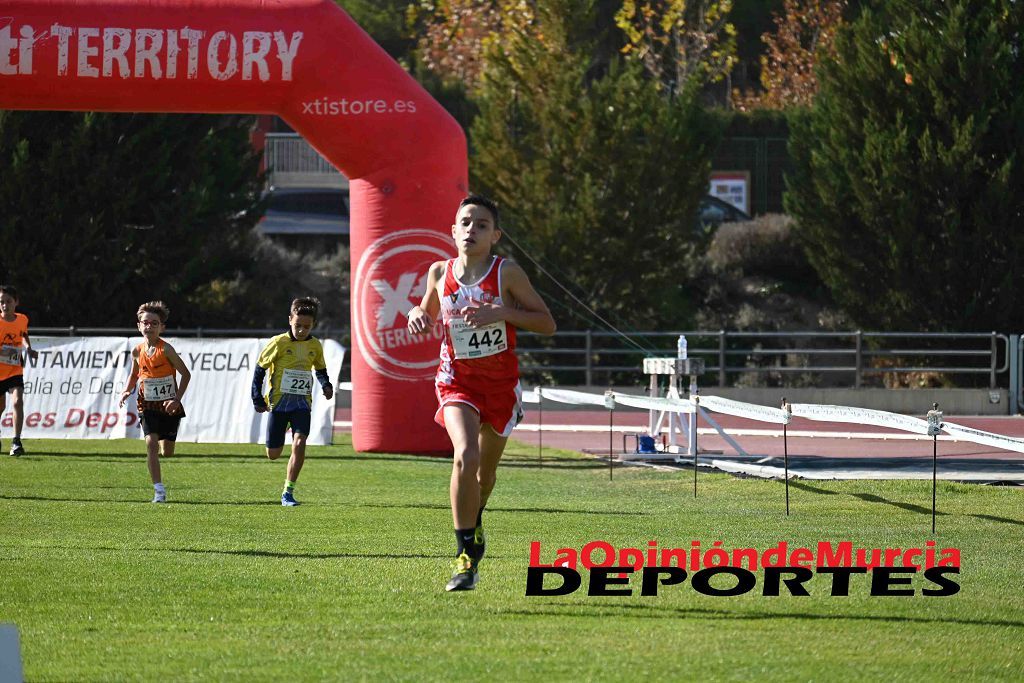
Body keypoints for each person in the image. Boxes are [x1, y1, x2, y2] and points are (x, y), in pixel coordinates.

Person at [407, 195, 556, 592]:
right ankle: (465, 555)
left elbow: (547, 323)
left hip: (500, 387)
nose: (472, 230)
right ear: (453, 231)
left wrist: (503, 313)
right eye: (466, 223)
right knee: (464, 455)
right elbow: (426, 311)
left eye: (482, 225)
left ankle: (476, 519)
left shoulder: (507, 274)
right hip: (456, 380)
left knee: (485, 474)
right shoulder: (439, 272)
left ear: (495, 236)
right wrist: (416, 314)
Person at [252, 297, 333, 506]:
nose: (301, 330)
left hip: (302, 404)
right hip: (279, 404)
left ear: (313, 325)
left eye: (306, 327)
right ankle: (276, 440)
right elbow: (260, 369)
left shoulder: (315, 345)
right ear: (290, 320)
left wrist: (326, 385)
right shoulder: (278, 343)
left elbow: (320, 369)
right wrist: (257, 397)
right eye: (297, 325)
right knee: (273, 454)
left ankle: (288, 492)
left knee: (300, 442)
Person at [118, 301, 191, 503]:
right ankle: (159, 491)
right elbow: (134, 375)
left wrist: (176, 400)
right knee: (150, 443)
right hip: (147, 403)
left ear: (161, 327)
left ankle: (164, 443)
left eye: (154, 323)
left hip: (169, 405)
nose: (149, 326)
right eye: (146, 322)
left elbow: (186, 375)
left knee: (167, 451)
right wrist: (126, 390)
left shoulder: (166, 350)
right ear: (139, 326)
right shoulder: (136, 351)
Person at [0, 285, 39, 456]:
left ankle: (16, 441)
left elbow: (23, 334)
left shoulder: (22, 319)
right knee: (0, 408)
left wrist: (28, 348)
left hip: (15, 370)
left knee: (17, 401)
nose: (4, 305)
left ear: (16, 302)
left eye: (8, 301)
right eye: (1, 302)